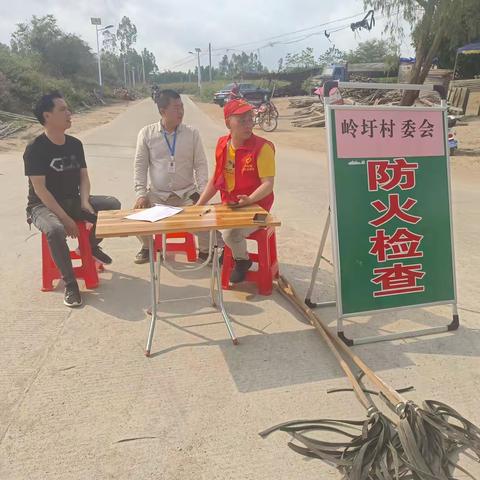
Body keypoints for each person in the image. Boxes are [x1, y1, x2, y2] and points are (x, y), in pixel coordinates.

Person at [23, 92, 121, 307]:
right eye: (63, 110)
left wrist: (85, 201)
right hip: (41, 206)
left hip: (73, 199)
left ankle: (92, 247)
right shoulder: (35, 149)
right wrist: (66, 220)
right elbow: (41, 191)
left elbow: (84, 178)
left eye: (68, 109)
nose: (69, 113)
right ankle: (70, 285)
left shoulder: (75, 144)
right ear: (47, 116)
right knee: (56, 229)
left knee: (112, 205)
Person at [196, 98, 275, 283]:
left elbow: (268, 184)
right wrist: (199, 205)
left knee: (231, 234)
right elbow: (216, 180)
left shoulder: (262, 148)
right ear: (227, 123)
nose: (248, 125)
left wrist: (250, 200)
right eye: (241, 121)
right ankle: (231, 249)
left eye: (250, 119)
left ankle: (242, 260)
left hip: (258, 208)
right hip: (230, 206)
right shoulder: (223, 144)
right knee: (199, 224)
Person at [133, 89, 211, 263]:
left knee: (206, 215)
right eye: (176, 108)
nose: (181, 111)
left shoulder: (192, 134)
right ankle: (148, 246)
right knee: (136, 216)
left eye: (182, 106)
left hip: (186, 194)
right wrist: (141, 194)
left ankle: (206, 252)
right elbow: (140, 166)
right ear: (162, 111)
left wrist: (203, 192)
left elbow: (201, 165)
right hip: (157, 195)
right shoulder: (146, 134)